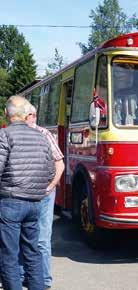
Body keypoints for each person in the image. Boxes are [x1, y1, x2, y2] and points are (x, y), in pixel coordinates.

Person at [0, 95, 55, 290]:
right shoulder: (41, 136)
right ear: (25, 115)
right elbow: (50, 171)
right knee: (32, 252)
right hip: (35, 204)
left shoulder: (4, 135)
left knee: (9, 254)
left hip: (10, 202)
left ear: (7, 114)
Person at [23, 104, 65, 289]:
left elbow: (60, 164)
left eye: (28, 116)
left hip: (43, 194)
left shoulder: (44, 134)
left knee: (41, 238)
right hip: (22, 193)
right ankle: (24, 276)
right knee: (22, 236)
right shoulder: (12, 134)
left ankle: (44, 279)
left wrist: (50, 187)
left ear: (32, 116)